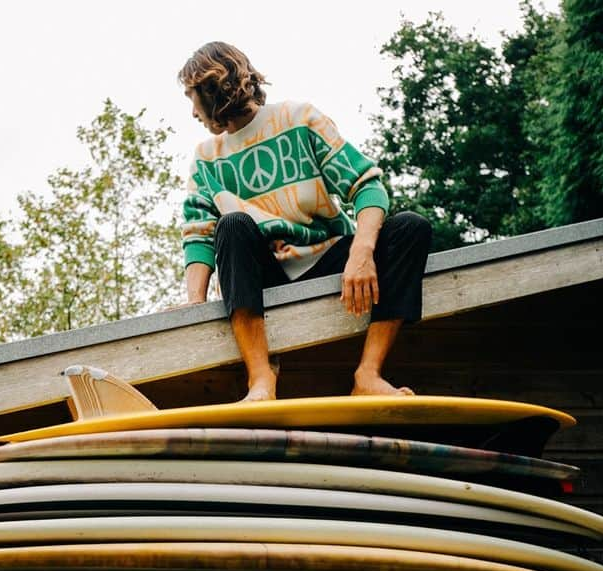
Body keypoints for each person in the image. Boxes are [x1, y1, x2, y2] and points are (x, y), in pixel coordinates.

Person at [178, 41, 432, 401]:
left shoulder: (298, 119)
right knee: (231, 225)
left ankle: (369, 375)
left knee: (411, 227)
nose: (192, 113)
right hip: (266, 275)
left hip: (330, 259)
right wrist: (194, 300)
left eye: (192, 98)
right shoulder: (206, 158)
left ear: (213, 89)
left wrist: (362, 251)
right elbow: (199, 234)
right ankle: (262, 380)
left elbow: (367, 186)